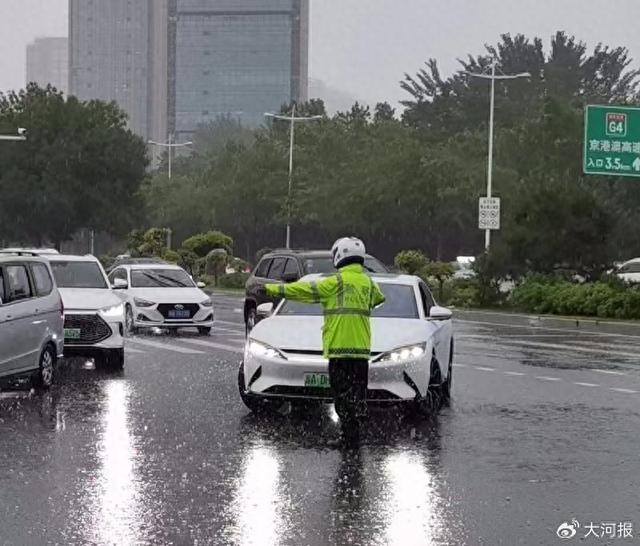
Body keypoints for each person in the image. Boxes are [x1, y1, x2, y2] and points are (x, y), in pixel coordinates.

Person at [262, 237, 385, 444]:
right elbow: (379, 299)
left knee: (341, 394)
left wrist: (271, 289)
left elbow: (301, 291)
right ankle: (356, 426)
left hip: (339, 349)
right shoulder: (368, 283)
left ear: (339, 255)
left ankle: (349, 437)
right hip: (362, 350)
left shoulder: (335, 283)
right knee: (357, 392)